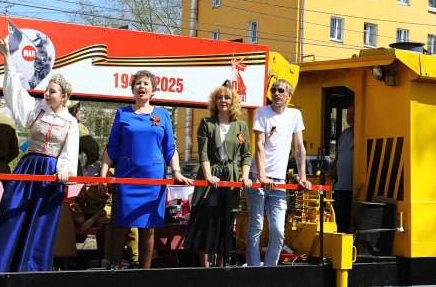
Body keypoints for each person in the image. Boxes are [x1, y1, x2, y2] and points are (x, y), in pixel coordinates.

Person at [0, 35, 79, 273]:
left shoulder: (70, 122)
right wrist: (7, 59)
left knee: (40, 222)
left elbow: (69, 153)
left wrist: (64, 171)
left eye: (53, 92)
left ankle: (30, 270)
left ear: (64, 97)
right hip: (28, 167)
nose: (47, 94)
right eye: (47, 90)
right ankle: (1, 266)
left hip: (50, 173)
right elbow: (15, 93)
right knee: (12, 213)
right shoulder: (37, 110)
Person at [99, 70, 191, 269]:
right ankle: (114, 269)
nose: (141, 86)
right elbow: (112, 146)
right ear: (133, 89)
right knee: (120, 226)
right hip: (126, 179)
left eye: (146, 83)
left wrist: (176, 171)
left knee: (148, 228)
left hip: (153, 181)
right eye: (138, 83)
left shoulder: (163, 115)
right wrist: (103, 175)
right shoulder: (122, 113)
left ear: (153, 90)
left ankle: (144, 273)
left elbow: (170, 148)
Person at [246, 79, 310, 266]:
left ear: (289, 95)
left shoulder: (295, 115)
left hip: (279, 181)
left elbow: (299, 147)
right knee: (256, 226)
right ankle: (254, 269)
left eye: (281, 90)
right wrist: (262, 175)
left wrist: (303, 176)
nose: (276, 93)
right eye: (273, 90)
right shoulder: (262, 112)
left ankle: (270, 269)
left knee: (278, 230)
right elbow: (259, 145)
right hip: (258, 177)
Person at [186, 85, 251, 267]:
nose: (223, 100)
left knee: (226, 221)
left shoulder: (241, 126)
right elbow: (203, 153)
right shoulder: (207, 123)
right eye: (219, 97)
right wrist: (208, 175)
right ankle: (205, 269)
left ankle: (223, 268)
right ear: (214, 101)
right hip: (211, 173)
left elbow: (246, 154)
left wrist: (245, 176)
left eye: (227, 97)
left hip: (231, 175)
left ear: (233, 102)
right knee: (207, 221)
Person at [332, 100, 354, 233]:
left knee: (347, 220)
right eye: (348, 114)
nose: (349, 117)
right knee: (338, 219)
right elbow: (338, 157)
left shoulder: (364, 133)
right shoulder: (345, 134)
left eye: (353, 114)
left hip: (353, 187)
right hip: (340, 186)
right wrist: (331, 173)